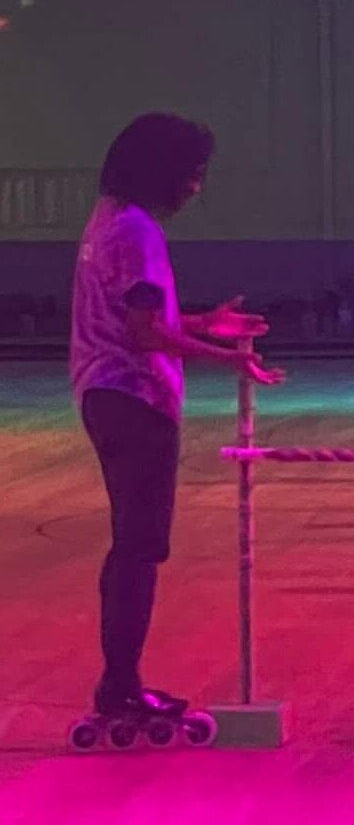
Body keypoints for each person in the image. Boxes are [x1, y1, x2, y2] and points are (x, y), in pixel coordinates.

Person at [70, 113, 284, 723]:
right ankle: (121, 687)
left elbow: (136, 319)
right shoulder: (136, 232)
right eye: (192, 174)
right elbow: (144, 335)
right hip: (134, 399)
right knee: (141, 547)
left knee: (130, 545)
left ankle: (119, 682)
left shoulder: (106, 219)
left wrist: (203, 323)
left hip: (102, 393)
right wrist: (228, 359)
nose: (195, 187)